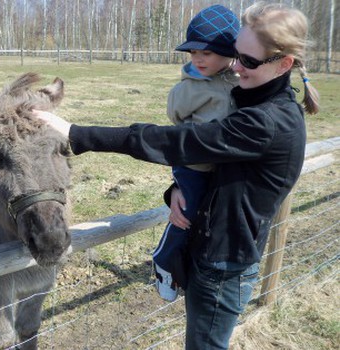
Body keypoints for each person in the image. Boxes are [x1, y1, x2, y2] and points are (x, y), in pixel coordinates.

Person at [33, 2, 320, 349]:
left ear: (284, 63)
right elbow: (224, 168)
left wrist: (76, 133)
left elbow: (179, 141)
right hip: (217, 249)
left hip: (223, 264)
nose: (236, 67)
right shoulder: (256, 102)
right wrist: (176, 191)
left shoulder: (264, 122)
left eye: (247, 60)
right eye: (235, 55)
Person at [153, 4, 240, 302]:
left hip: (221, 165)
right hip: (193, 164)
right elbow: (175, 115)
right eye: (194, 53)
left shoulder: (237, 80)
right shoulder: (191, 87)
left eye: (208, 53)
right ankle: (163, 259)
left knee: (209, 215)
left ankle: (189, 262)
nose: (199, 59)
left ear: (230, 53)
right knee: (186, 213)